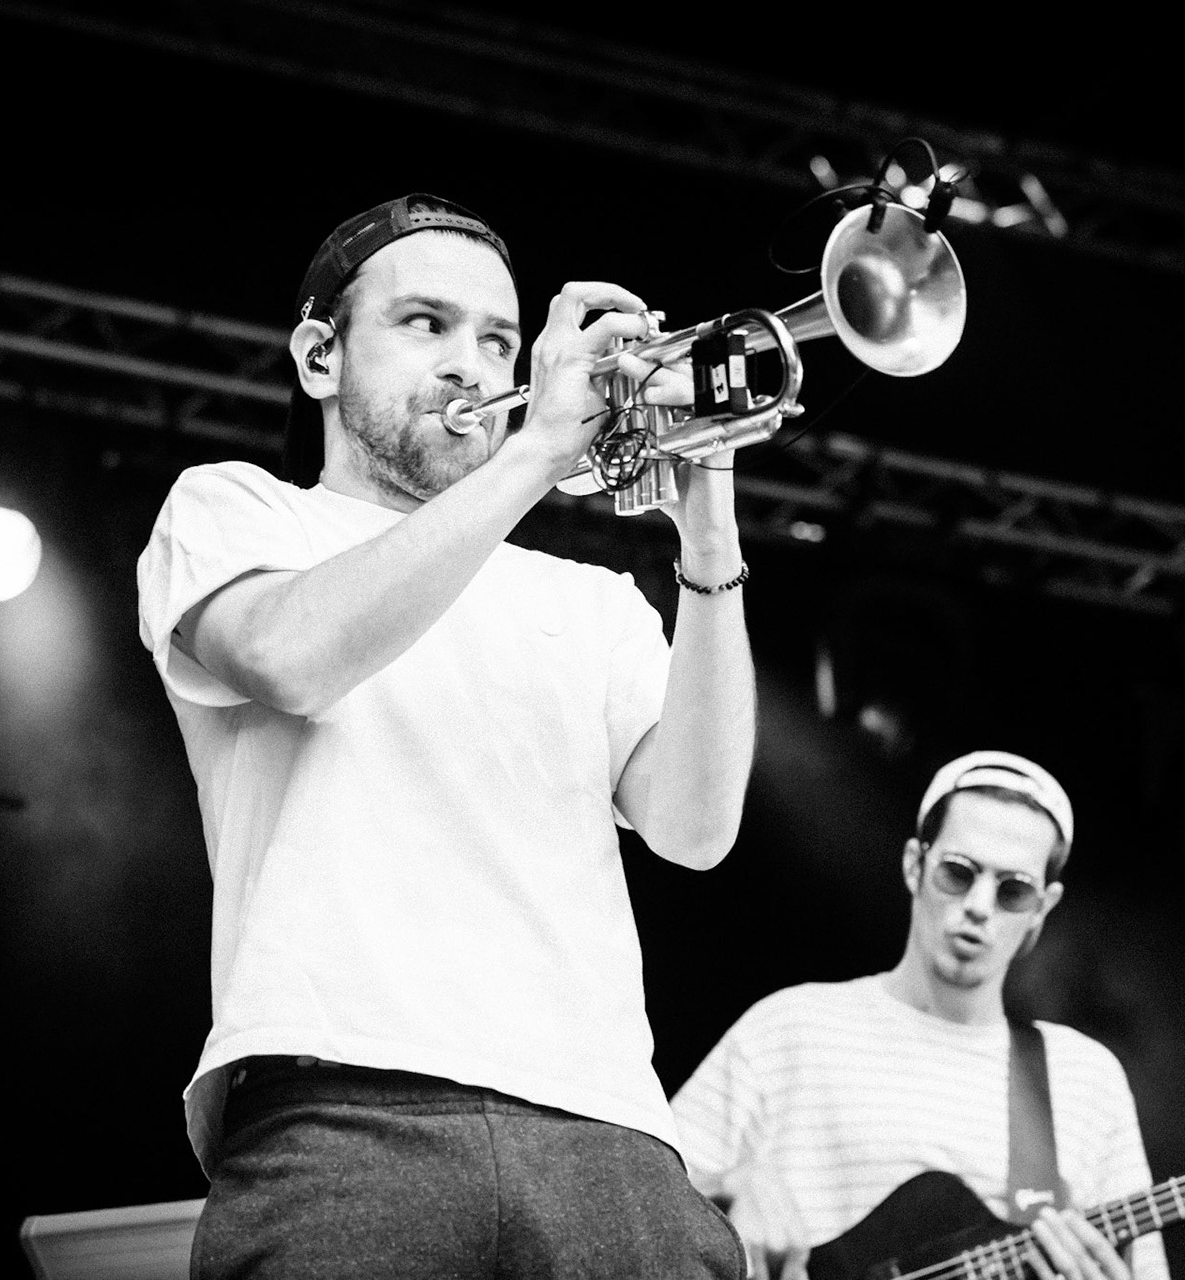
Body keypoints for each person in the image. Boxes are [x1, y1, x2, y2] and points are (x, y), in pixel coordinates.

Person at [135, 193, 755, 1278]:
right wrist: (539, 453)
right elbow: (291, 658)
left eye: (500, 340)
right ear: (320, 357)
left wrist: (709, 534)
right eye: (426, 323)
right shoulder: (237, 512)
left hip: (606, 1129)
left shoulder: (590, 597)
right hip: (342, 1110)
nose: (471, 364)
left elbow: (696, 829)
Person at [670, 751, 1169, 1280]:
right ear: (915, 864)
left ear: (1041, 909)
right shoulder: (790, 1028)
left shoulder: (1087, 1078)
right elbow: (636, 1193)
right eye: (958, 873)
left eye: (1013, 890)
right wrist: (732, 1186)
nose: (980, 905)